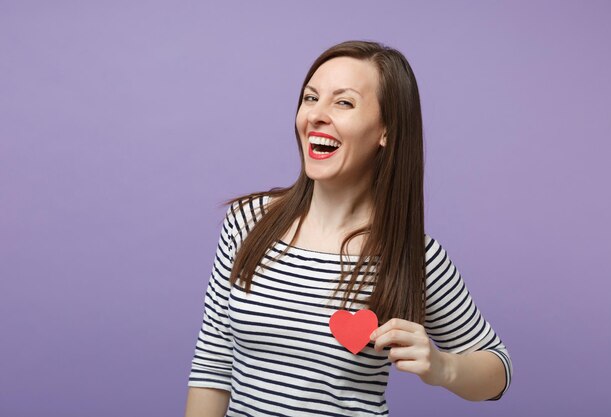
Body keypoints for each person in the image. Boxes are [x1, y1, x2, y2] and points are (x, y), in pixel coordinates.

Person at [184, 40, 512, 417]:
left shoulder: (411, 256)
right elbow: (212, 362)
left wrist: (443, 368)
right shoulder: (247, 222)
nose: (316, 115)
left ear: (385, 131)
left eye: (344, 103)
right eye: (310, 98)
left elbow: (498, 370)